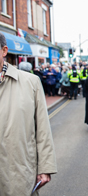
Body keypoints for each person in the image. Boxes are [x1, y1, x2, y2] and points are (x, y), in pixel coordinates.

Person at [0, 32, 57, 195]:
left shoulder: (30, 82)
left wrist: (45, 167)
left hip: (19, 172)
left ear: (4, 51)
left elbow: (43, 129)